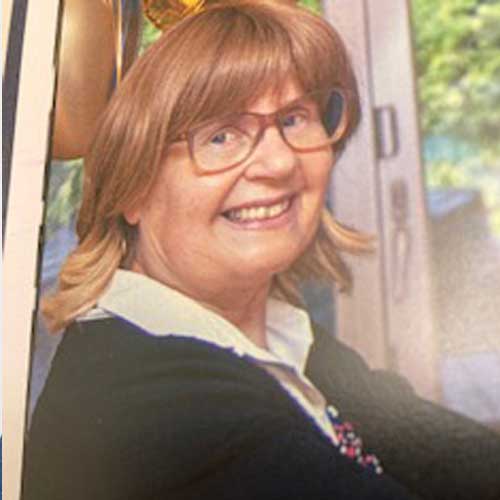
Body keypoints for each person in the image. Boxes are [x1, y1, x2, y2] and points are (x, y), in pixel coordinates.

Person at [22, 1, 500, 499]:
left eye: (294, 118)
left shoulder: (267, 334)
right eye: (221, 135)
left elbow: (435, 447)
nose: (279, 162)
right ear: (133, 188)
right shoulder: (161, 405)